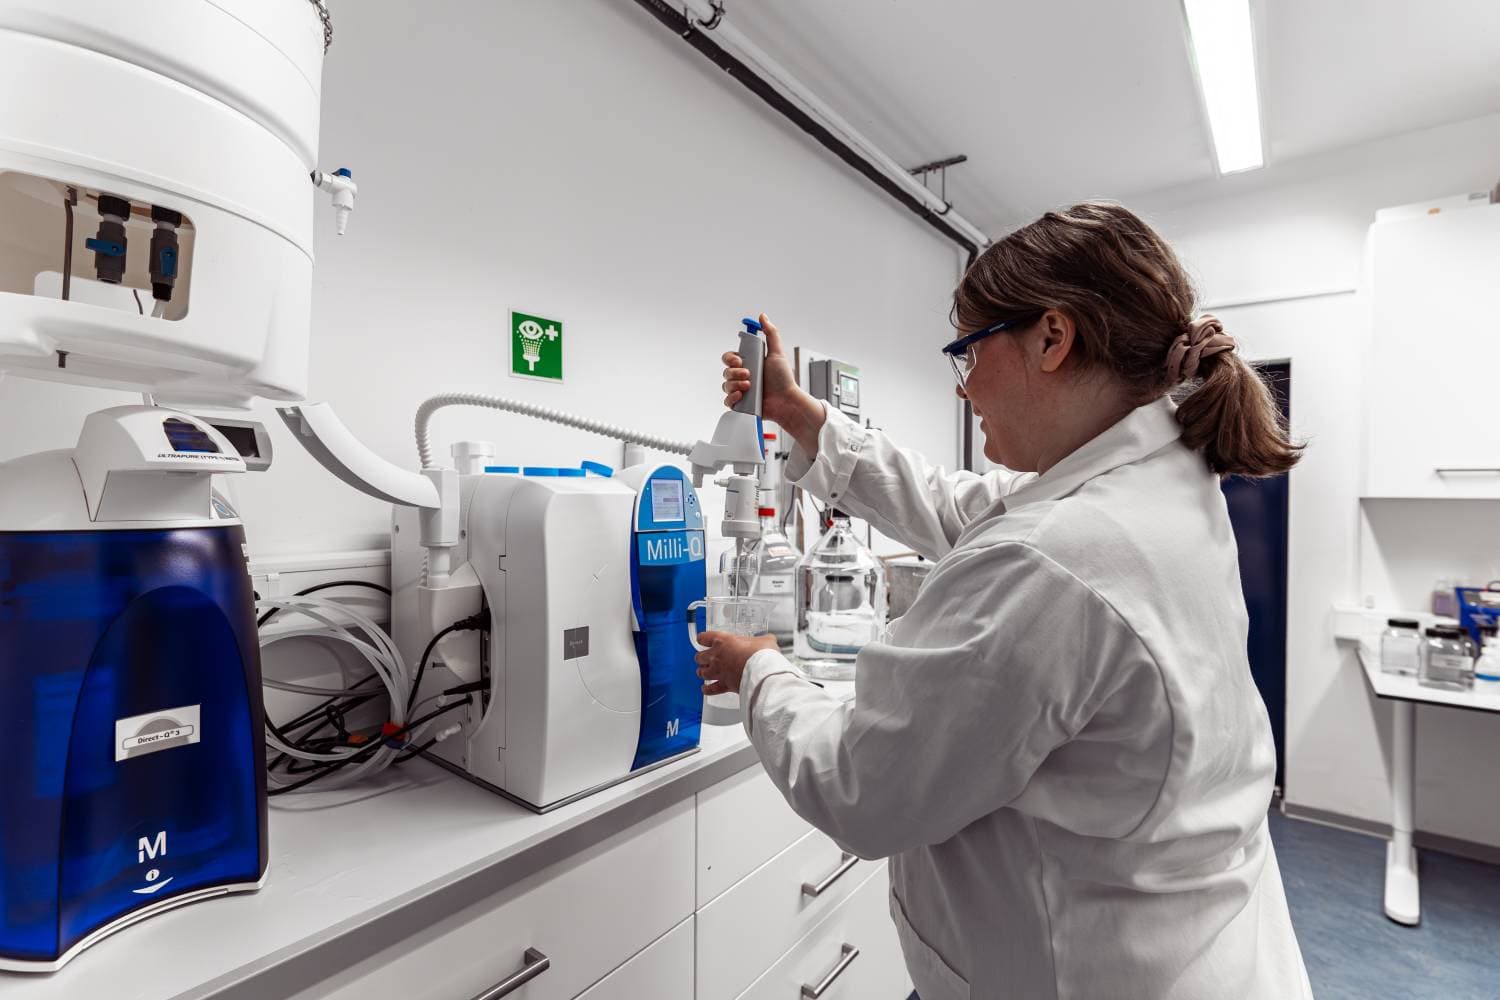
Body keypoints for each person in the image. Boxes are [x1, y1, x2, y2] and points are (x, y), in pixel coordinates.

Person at [695, 203, 1313, 1000]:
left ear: (1052, 338)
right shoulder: (1159, 477)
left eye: (968, 353)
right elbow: (970, 509)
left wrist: (760, 670)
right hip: (1199, 942)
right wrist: (798, 412)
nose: (962, 389)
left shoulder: (1058, 558)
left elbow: (861, 786)